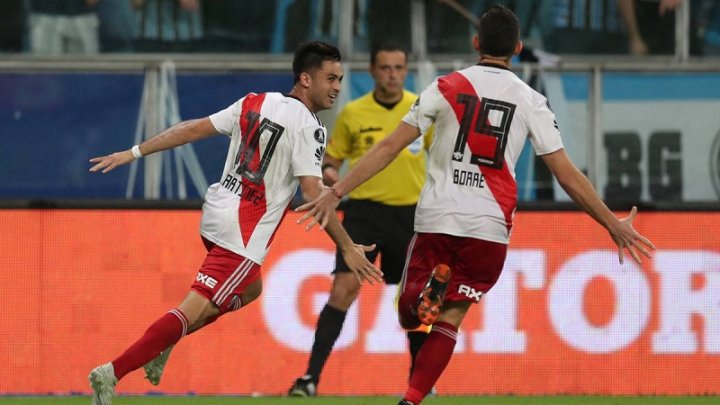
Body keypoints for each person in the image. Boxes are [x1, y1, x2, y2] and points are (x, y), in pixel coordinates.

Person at [296, 6, 656, 405]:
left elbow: (389, 147)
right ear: (517, 48)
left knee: (409, 315)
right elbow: (567, 174)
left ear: (475, 43)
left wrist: (338, 189)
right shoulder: (532, 100)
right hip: (490, 227)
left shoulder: (445, 87)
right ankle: (411, 399)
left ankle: (420, 303)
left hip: (438, 217)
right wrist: (611, 223)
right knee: (451, 318)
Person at [86, 40, 383, 405]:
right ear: (306, 79)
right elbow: (312, 192)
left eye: (340, 79)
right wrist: (347, 246)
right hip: (242, 234)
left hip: (215, 216)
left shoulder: (254, 101)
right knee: (191, 309)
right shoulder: (311, 128)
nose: (337, 86)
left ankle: (165, 341)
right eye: (331, 78)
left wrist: (133, 152)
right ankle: (112, 372)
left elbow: (193, 128)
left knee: (251, 289)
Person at [287, 43, 433, 397]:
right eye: (385, 67)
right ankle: (310, 379)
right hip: (364, 213)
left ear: (406, 70)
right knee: (343, 289)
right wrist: (333, 175)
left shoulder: (421, 110)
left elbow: (440, 158)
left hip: (409, 216)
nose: (392, 74)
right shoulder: (353, 112)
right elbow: (331, 160)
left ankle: (420, 383)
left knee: (415, 302)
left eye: (398, 67)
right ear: (372, 70)